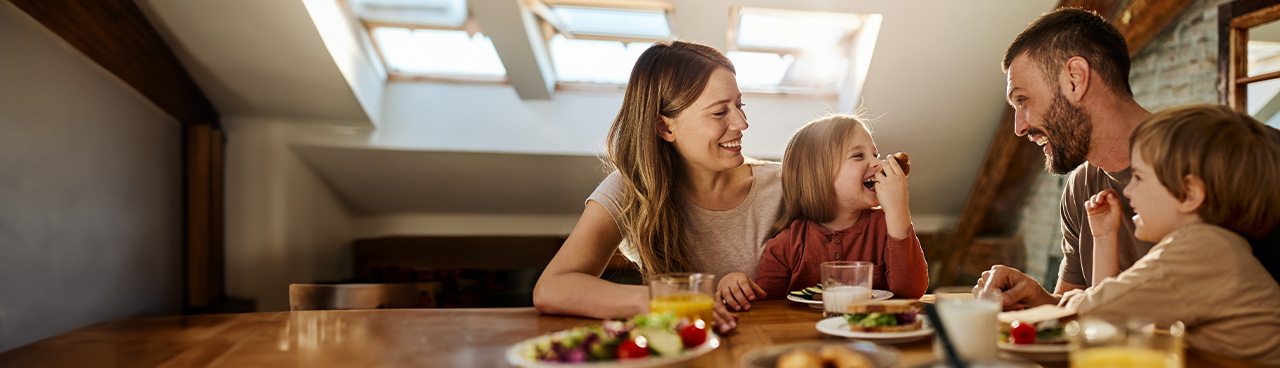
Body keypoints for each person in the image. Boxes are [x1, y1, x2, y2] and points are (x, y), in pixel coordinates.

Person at [532, 40, 782, 334]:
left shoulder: (784, 184)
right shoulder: (632, 189)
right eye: (719, 112)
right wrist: (662, 300)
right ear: (665, 127)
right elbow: (552, 287)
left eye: (739, 105)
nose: (742, 123)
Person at [1062, 105, 1280, 365]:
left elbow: (1096, 313)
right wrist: (1105, 239)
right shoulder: (1214, 247)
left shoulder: (1202, 251)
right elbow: (1111, 323)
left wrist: (1070, 303)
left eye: (1139, 178)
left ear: (1189, 193)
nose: (1128, 190)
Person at [977, 8, 1158, 310]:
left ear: (1075, 79)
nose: (1019, 127)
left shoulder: (1206, 160)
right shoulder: (1082, 188)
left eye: (1022, 100)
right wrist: (1039, 300)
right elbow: (1078, 312)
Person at [752, 114, 929, 302]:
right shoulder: (787, 244)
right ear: (818, 175)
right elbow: (764, 307)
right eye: (858, 155)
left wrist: (897, 211)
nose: (878, 163)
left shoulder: (886, 226)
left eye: (875, 155)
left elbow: (911, 292)